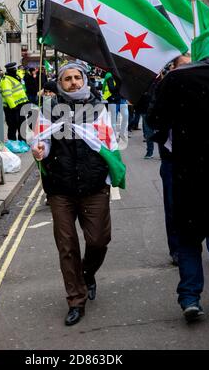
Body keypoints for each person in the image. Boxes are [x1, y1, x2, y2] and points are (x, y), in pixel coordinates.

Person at [30, 63, 126, 326]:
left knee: (98, 241)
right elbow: (43, 141)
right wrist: (40, 150)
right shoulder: (49, 111)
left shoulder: (98, 108)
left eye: (76, 78)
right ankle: (76, 300)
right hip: (60, 188)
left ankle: (87, 272)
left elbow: (108, 143)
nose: (72, 82)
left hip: (94, 186)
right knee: (67, 246)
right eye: (67, 78)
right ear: (59, 83)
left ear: (84, 80)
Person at [148, 23, 209, 323]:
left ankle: (190, 298)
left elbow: (155, 121)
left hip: (187, 173)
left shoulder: (177, 78)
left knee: (189, 240)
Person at [0, 62, 29, 141]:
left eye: (16, 69)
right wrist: (13, 106)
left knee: (22, 125)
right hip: (12, 108)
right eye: (14, 69)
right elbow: (7, 94)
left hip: (20, 105)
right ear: (10, 70)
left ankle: (22, 142)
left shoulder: (15, 77)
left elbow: (20, 90)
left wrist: (25, 101)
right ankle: (12, 143)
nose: (16, 71)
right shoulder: (6, 80)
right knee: (12, 126)